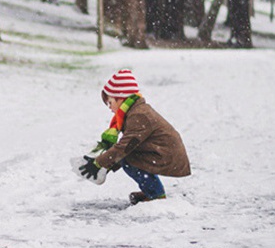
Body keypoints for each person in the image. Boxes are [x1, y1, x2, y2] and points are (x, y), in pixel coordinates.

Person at [79, 69, 191, 205]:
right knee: (127, 157)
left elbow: (125, 147)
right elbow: (127, 145)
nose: (109, 108)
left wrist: (98, 163)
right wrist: (105, 166)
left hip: (166, 154)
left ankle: (155, 195)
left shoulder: (139, 115)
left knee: (129, 159)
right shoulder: (134, 111)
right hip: (159, 151)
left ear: (120, 98)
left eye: (110, 103)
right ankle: (151, 192)